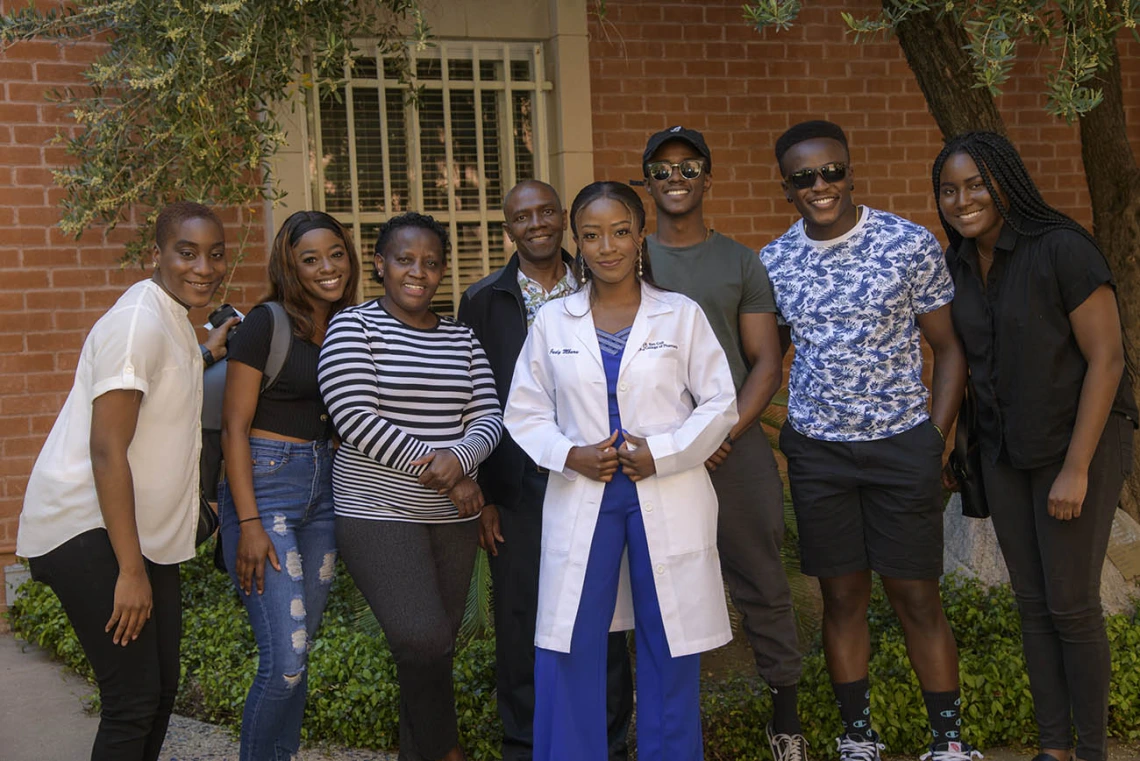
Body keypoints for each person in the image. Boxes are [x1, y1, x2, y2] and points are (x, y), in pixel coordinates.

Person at [759, 120, 974, 761]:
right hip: (819, 454)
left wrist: (934, 437)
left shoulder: (908, 245)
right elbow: (767, 363)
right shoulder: (774, 262)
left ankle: (949, 742)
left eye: (832, 172)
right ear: (787, 188)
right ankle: (858, 737)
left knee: (916, 595)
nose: (821, 186)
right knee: (842, 598)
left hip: (902, 444)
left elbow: (949, 349)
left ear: (851, 172)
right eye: (804, 178)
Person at [504, 181, 737, 761]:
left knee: (669, 639)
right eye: (590, 235)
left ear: (639, 237)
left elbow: (719, 402)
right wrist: (569, 455)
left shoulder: (680, 314)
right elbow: (524, 411)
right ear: (576, 243)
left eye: (619, 232)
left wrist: (665, 452)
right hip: (588, 490)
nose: (606, 246)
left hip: (665, 487)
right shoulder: (554, 321)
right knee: (571, 641)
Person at [932, 131, 1136, 761]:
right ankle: (1055, 750)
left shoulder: (1062, 249)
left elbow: (1107, 360)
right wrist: (945, 444)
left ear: (1006, 183)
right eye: (949, 189)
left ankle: (1094, 751)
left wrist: (1075, 469)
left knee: (1072, 604)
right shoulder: (960, 260)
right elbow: (960, 356)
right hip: (1002, 451)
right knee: (1031, 603)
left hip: (1075, 446)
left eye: (976, 184)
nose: (962, 200)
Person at [16, 201, 227, 761]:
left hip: (138, 535)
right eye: (187, 253)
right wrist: (129, 571)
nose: (203, 267)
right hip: (89, 531)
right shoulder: (138, 322)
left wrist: (206, 352)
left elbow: (164, 383)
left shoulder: (172, 320)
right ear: (156, 253)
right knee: (132, 699)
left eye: (214, 254)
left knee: (156, 695)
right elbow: (107, 449)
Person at [640, 125, 807, 760]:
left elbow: (765, 362)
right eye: (662, 169)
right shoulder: (632, 256)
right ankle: (666, 725)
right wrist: (674, 445)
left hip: (732, 449)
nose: (676, 179)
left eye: (689, 168)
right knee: (652, 584)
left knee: (762, 578)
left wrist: (718, 434)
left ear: (708, 180)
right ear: (648, 183)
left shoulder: (741, 261)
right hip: (652, 453)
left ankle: (784, 720)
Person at [457, 180, 634, 761]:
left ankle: (607, 738)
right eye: (520, 216)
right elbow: (474, 401)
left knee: (604, 612)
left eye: (545, 212)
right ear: (507, 228)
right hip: (520, 487)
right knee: (521, 618)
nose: (534, 223)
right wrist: (484, 496)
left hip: (600, 475)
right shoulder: (484, 300)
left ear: (563, 219)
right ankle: (526, 744)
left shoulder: (604, 281)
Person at [317, 211, 503, 761]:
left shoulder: (463, 340)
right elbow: (355, 418)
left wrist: (459, 464)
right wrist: (444, 470)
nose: (417, 272)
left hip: (452, 518)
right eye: (404, 260)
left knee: (432, 653)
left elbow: (490, 416)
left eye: (430, 262)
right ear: (380, 264)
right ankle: (447, 753)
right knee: (421, 639)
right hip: (376, 512)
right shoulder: (354, 328)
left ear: (443, 270)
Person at [217, 210, 359, 760]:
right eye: (310, 259)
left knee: (298, 660)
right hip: (267, 488)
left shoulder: (350, 325)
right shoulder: (266, 323)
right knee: (285, 659)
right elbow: (233, 426)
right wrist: (248, 522)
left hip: (324, 493)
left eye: (336, 254)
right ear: (289, 266)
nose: (328, 268)